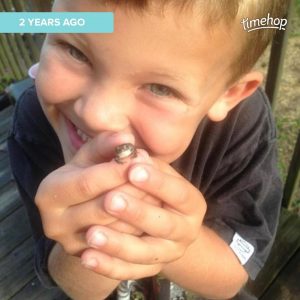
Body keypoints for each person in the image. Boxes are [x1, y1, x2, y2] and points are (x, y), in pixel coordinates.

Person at [7, 0, 288, 299]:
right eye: (74, 51)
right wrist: (98, 234)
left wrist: (165, 236)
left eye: (160, 88)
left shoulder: (242, 126)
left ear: (229, 94)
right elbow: (76, 288)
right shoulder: (35, 122)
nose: (97, 114)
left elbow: (230, 280)